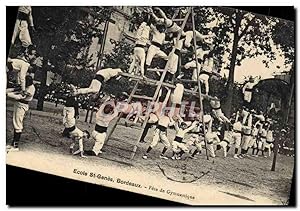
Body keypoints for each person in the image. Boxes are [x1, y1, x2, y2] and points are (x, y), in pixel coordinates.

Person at [6, 75, 35, 151]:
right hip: (18, 104)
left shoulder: (31, 89)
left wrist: (7, 94)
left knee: (18, 124)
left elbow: (19, 96)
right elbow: (15, 90)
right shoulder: (26, 86)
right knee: (15, 122)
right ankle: (13, 144)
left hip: (22, 105)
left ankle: (15, 146)